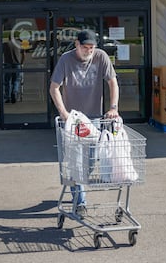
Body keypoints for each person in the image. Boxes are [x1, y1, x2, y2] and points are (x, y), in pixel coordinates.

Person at [49, 29, 119, 216]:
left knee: (90, 160)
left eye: (92, 47)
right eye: (85, 47)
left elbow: (113, 82)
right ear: (76, 44)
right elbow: (54, 87)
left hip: (94, 118)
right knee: (75, 162)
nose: (89, 50)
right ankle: (80, 202)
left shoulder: (101, 57)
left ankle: (78, 187)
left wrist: (113, 107)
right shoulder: (66, 59)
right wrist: (64, 113)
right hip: (73, 120)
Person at [1, 38, 24, 103]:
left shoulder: (5, 44)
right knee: (16, 80)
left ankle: (7, 96)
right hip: (17, 64)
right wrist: (21, 62)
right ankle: (14, 92)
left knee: (7, 81)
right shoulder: (19, 43)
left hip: (8, 63)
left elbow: (0, 53)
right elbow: (23, 54)